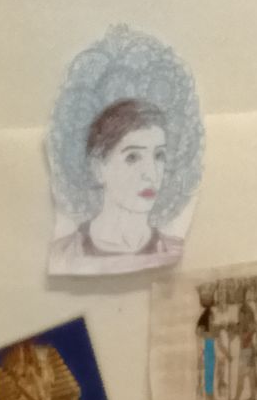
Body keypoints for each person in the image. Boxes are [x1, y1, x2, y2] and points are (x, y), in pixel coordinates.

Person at [48, 97, 183, 273]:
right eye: (132, 157)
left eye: (159, 156)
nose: (152, 174)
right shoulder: (63, 254)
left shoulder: (176, 251)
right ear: (98, 167)